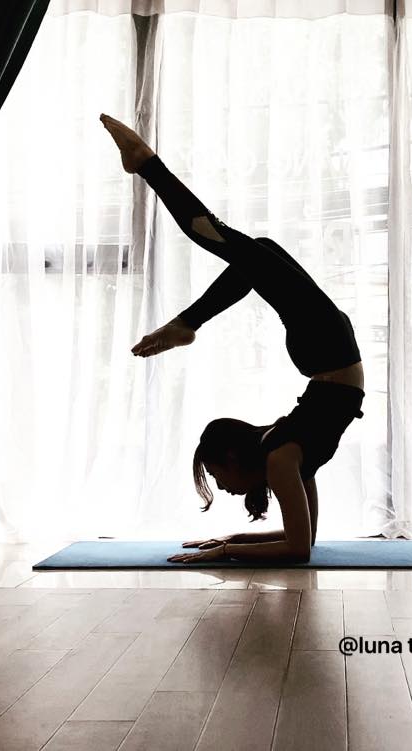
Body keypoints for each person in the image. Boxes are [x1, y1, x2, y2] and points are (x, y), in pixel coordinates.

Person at [100, 113, 365, 565]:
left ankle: (146, 165)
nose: (222, 487)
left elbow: (298, 549)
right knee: (245, 250)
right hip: (326, 348)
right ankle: (187, 321)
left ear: (233, 457)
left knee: (226, 240)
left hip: (327, 349)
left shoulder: (283, 455)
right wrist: (230, 541)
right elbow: (303, 543)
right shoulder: (283, 457)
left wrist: (225, 549)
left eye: (217, 475)